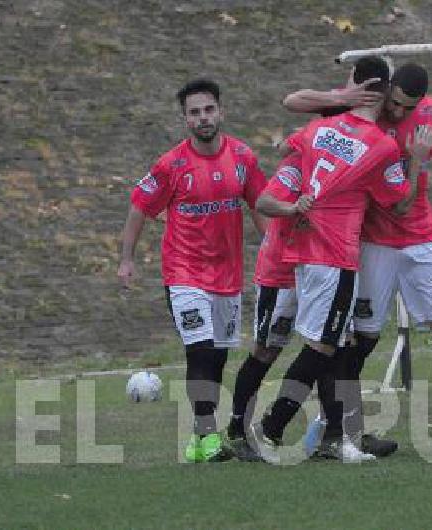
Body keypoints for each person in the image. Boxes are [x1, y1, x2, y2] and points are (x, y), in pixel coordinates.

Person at [284, 62, 432, 451]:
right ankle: (331, 425)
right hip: (374, 244)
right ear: (386, 92)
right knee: (360, 342)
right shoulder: (363, 109)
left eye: (408, 107)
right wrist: (342, 97)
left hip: (422, 239)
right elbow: (293, 101)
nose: (399, 113)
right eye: (395, 104)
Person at [248, 56, 417, 463]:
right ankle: (269, 428)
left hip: (304, 253)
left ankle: (339, 439)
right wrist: (418, 161)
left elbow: (291, 143)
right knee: (322, 346)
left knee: (333, 343)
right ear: (383, 93)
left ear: (357, 86)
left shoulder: (319, 127)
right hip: (336, 254)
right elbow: (399, 204)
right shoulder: (381, 145)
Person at [117, 78, 268, 463]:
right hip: (184, 273)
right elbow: (139, 208)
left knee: (216, 358)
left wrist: (273, 246)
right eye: (194, 113)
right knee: (199, 350)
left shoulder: (243, 157)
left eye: (208, 110)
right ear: (185, 119)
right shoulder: (171, 165)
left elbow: (260, 204)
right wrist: (127, 259)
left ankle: (198, 442)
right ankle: (210, 436)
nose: (203, 118)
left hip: (228, 276)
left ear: (221, 111)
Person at [224, 152, 307, 461]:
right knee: (266, 350)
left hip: (319, 269)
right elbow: (264, 202)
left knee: (328, 347)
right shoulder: (297, 164)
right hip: (281, 273)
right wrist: (294, 207)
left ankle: (335, 430)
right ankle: (236, 430)